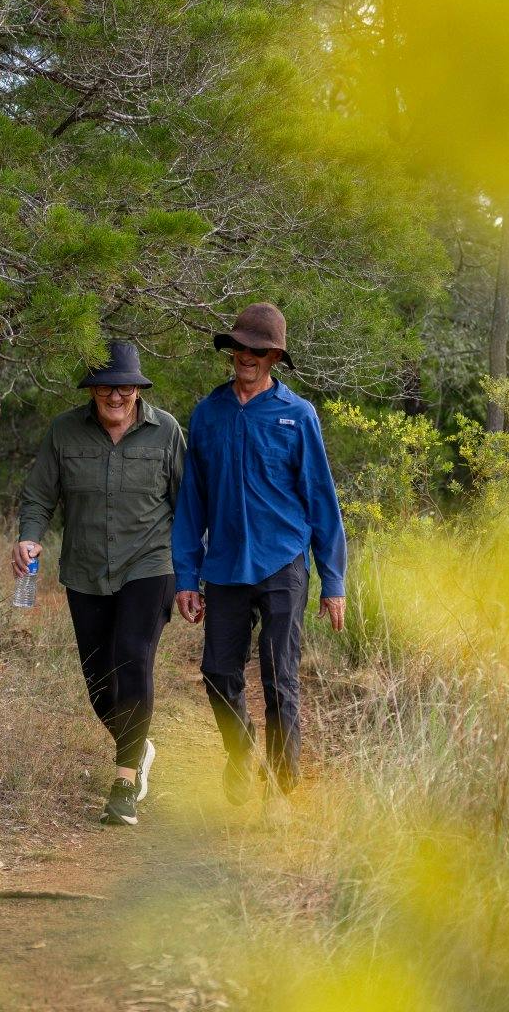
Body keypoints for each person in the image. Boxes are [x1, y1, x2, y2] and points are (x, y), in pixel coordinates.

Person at [172, 302, 347, 804]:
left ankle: (283, 791)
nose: (246, 357)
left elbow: (321, 501)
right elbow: (193, 501)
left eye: (258, 350)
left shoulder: (298, 416)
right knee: (218, 672)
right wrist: (186, 575)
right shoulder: (208, 414)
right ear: (231, 351)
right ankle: (241, 747)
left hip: (283, 561)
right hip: (224, 564)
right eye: (240, 347)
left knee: (280, 677)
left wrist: (332, 582)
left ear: (274, 357)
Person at [15, 340, 186, 826]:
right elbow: (38, 497)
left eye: (125, 386)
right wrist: (29, 539)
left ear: (138, 388)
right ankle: (139, 743)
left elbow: (190, 505)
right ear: (92, 390)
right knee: (97, 681)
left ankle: (124, 783)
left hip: (151, 564)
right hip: (86, 568)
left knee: (133, 656)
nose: (116, 395)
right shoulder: (64, 432)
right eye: (106, 386)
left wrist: (197, 574)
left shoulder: (166, 431)